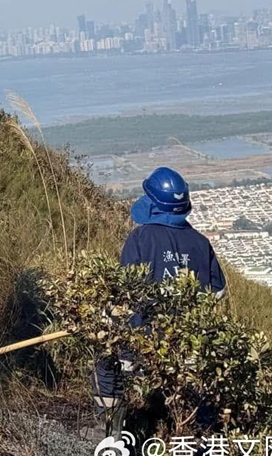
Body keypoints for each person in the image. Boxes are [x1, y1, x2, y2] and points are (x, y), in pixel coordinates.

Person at [93, 166, 227, 435]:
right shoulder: (201, 243)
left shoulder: (140, 238)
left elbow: (123, 292)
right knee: (202, 390)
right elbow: (218, 291)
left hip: (141, 345)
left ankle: (109, 430)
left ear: (152, 203)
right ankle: (203, 442)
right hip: (189, 347)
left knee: (106, 361)